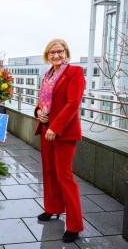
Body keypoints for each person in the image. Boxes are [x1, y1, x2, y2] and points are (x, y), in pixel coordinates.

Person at [34, 38, 85, 243]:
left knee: (65, 176)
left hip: (63, 131)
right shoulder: (47, 75)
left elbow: (73, 103)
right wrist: (38, 113)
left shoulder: (75, 72)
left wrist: (55, 127)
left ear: (66, 52)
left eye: (60, 51)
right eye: (52, 52)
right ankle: (52, 208)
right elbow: (43, 102)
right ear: (47, 55)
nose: (56, 55)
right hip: (46, 128)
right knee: (49, 171)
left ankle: (74, 225)